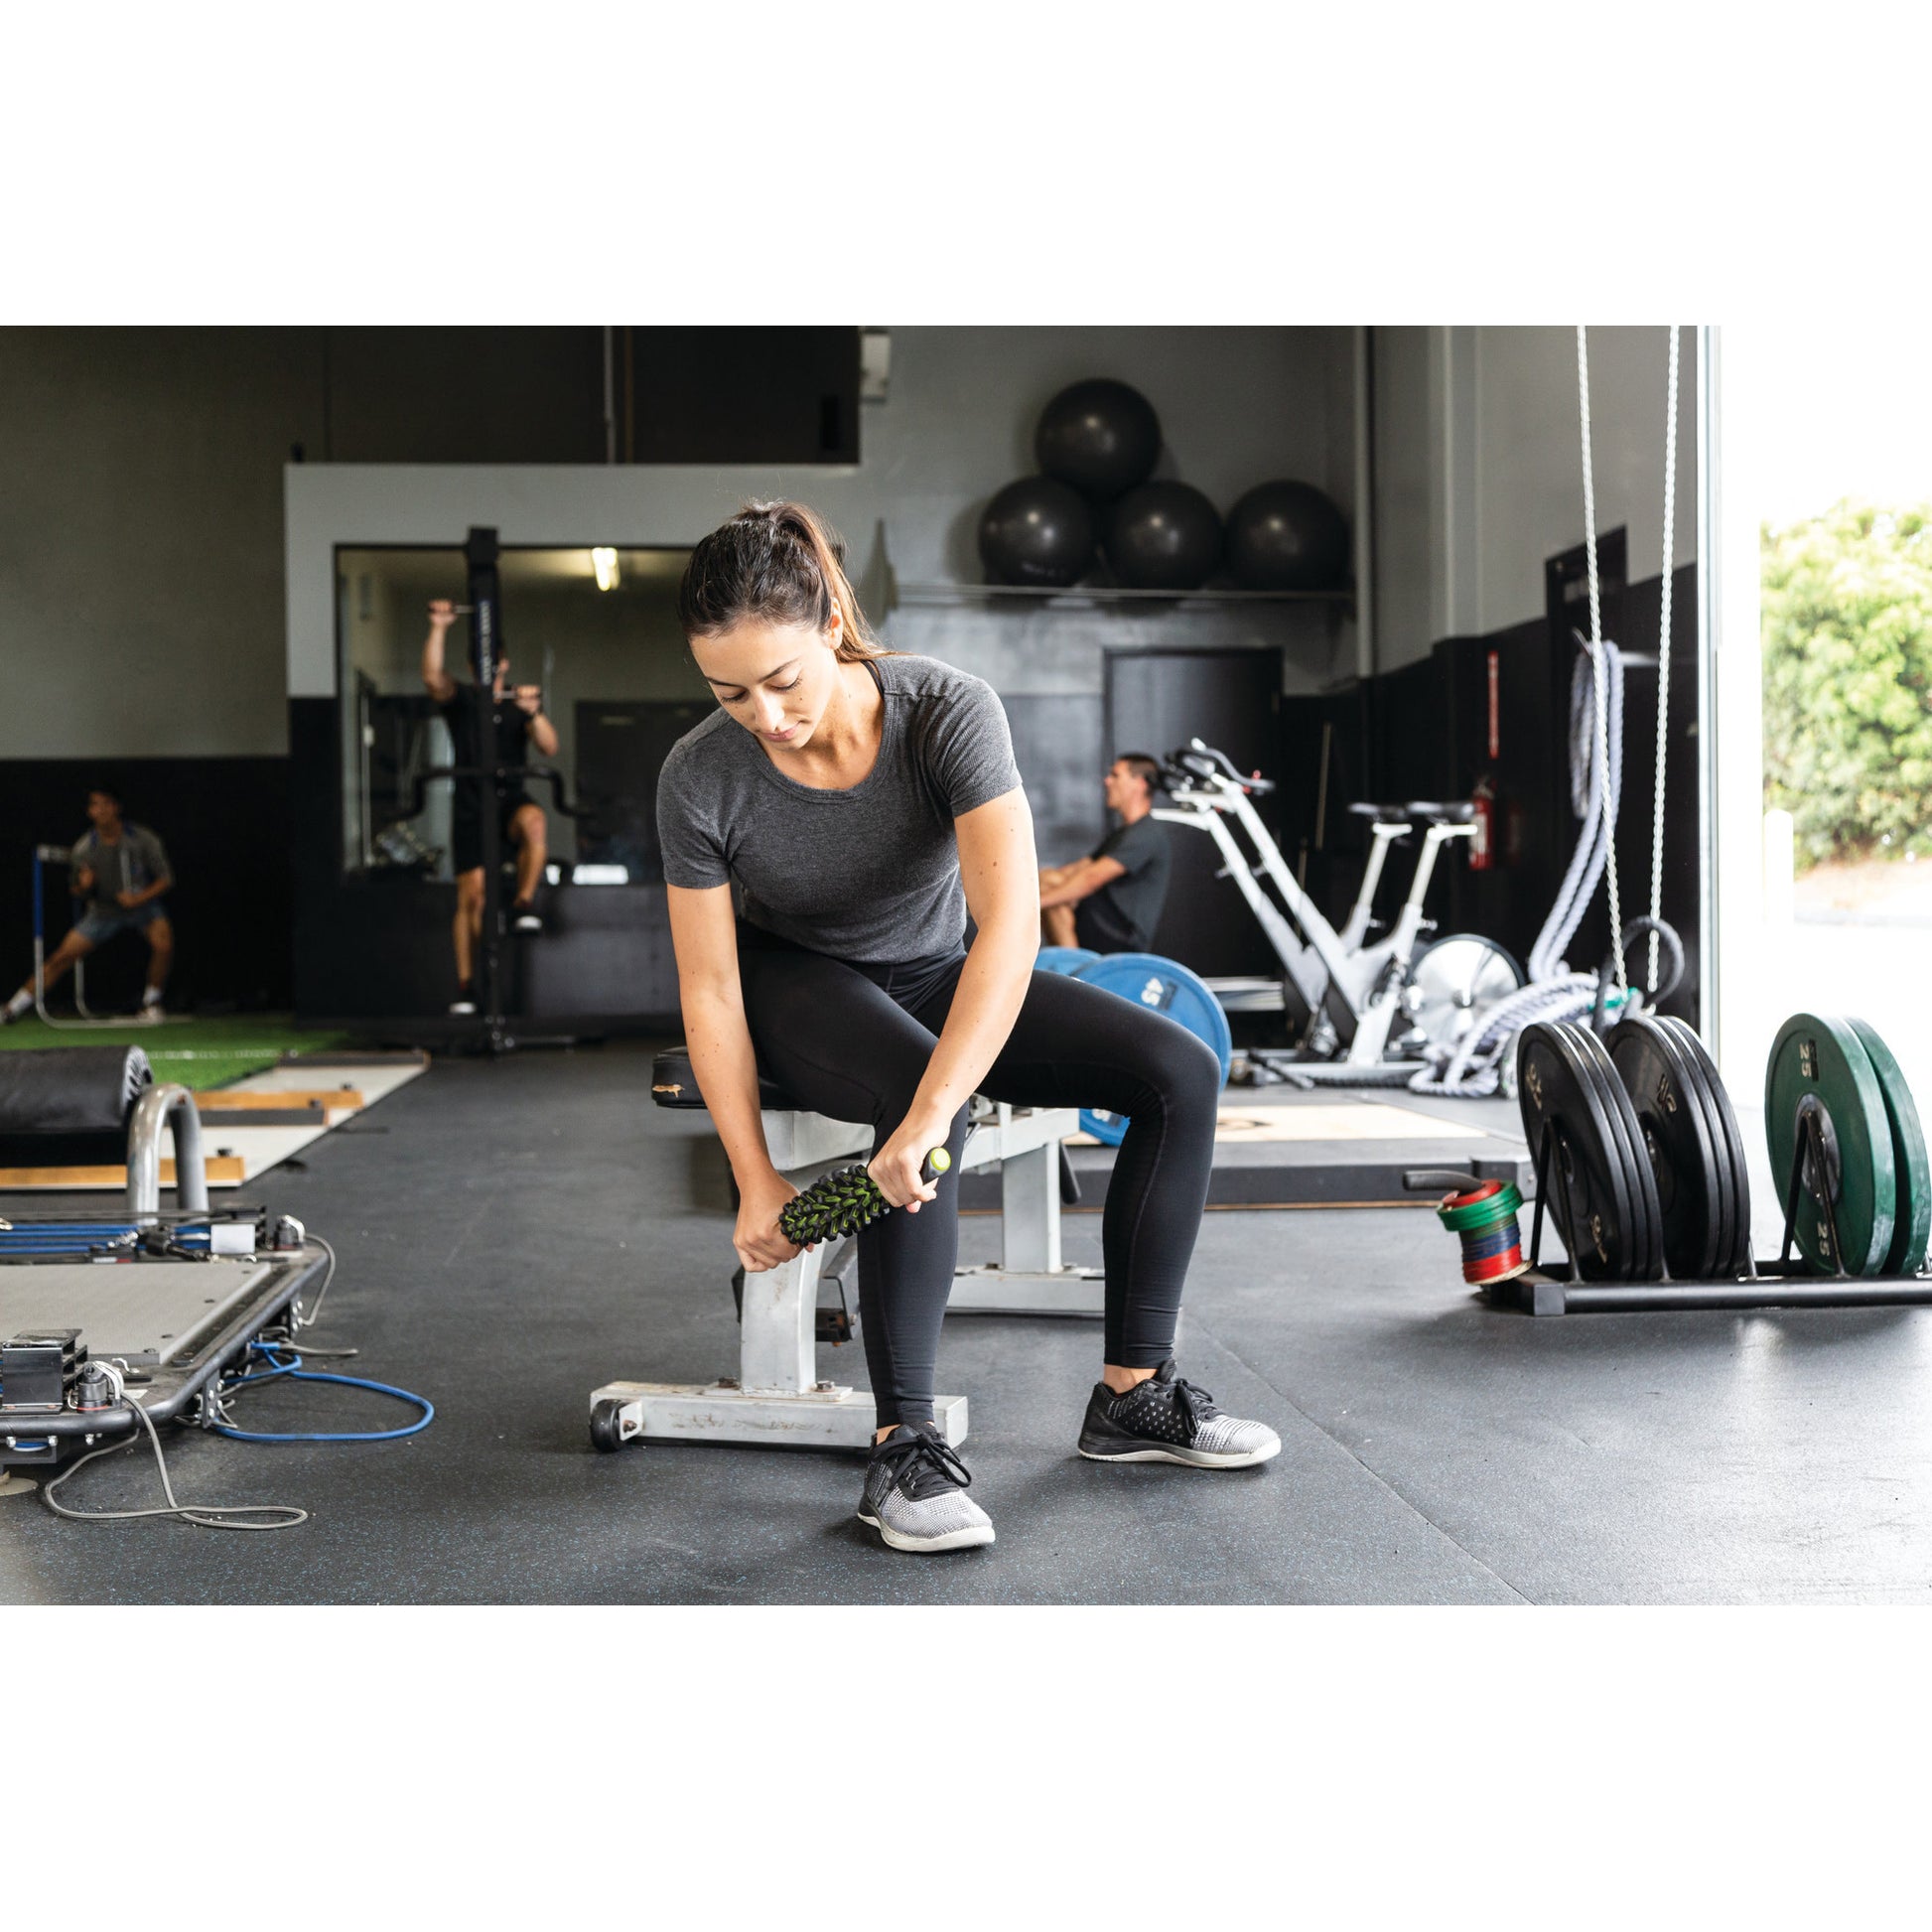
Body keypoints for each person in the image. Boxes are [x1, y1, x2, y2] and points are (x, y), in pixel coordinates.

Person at [657, 501, 1279, 1557]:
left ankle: (1133, 1392)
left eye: (782, 681)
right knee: (910, 1089)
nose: (761, 713)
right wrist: (755, 1177)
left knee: (1175, 1068)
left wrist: (943, 1101)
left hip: (940, 964)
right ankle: (902, 1446)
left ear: (831, 624)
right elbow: (712, 987)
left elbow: (1009, 928)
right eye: (729, 691)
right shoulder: (699, 775)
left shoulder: (946, 708)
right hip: (794, 980)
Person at [421, 598, 560, 1016]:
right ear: (472, 670)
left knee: (535, 821)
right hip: (470, 804)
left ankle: (522, 905)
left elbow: (550, 746)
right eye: (484, 668)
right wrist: (440, 626)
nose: (493, 673)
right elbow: (431, 677)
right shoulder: (461, 700)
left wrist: (533, 713)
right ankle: (468, 985)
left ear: (504, 664)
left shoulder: (519, 703)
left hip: (510, 801)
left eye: (497, 666)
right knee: (473, 899)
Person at [2, 787, 174, 1024]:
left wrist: (138, 898)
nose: (101, 810)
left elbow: (166, 878)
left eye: (106, 804)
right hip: (104, 911)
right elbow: (75, 889)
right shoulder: (85, 847)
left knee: (163, 942)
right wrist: (84, 886)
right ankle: (12, 1008)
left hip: (142, 907)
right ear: (89, 811)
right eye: (95, 805)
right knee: (61, 957)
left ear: (116, 807)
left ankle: (151, 1003)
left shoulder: (142, 838)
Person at [1038, 753, 1172, 953]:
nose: (1107, 781)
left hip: (1122, 937)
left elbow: (1091, 878)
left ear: (1140, 784)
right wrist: (1032, 888)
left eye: (1115, 775)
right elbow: (1080, 868)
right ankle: (1069, 966)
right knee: (1048, 878)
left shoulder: (1146, 834)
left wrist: (1033, 904)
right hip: (1099, 922)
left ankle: (1075, 973)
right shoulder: (1125, 833)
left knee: (1054, 892)